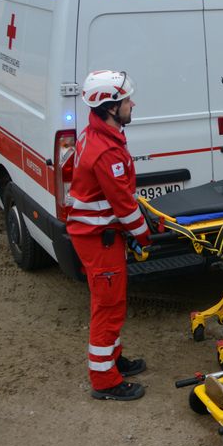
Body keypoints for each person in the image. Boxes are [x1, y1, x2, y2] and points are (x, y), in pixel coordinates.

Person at [67, 70, 151, 402]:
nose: (133, 104)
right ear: (111, 107)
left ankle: (114, 360)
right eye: (127, 100)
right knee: (108, 305)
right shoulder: (105, 150)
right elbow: (123, 205)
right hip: (99, 236)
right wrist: (145, 235)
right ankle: (105, 381)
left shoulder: (97, 134)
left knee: (111, 301)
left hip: (100, 233)